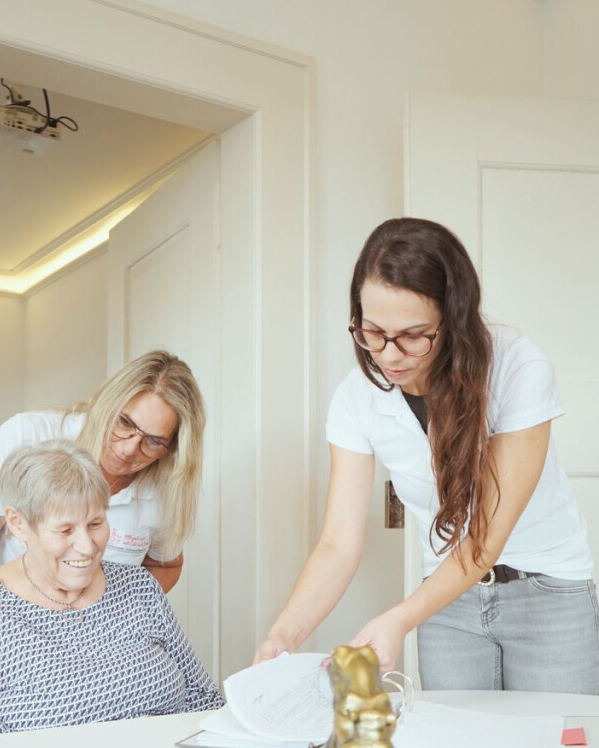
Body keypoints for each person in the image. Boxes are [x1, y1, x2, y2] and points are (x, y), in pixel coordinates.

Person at [255, 217, 599, 693]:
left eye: (413, 335)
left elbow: (484, 539)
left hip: (547, 593)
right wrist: (283, 636)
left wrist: (399, 618)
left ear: (453, 319)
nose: (389, 355)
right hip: (446, 602)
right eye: (372, 331)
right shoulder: (357, 398)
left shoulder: (517, 367)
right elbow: (338, 543)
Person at [0, 349, 205, 661]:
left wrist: (120, 614)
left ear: (172, 448)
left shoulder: (166, 487)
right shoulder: (28, 435)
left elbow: (165, 564)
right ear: (107, 403)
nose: (128, 448)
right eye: (124, 423)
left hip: (102, 644)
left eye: (153, 441)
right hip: (13, 630)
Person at [0, 441, 222, 739]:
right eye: (66, 530)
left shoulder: (140, 587)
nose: (87, 546)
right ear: (18, 524)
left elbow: (202, 697)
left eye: (96, 523)